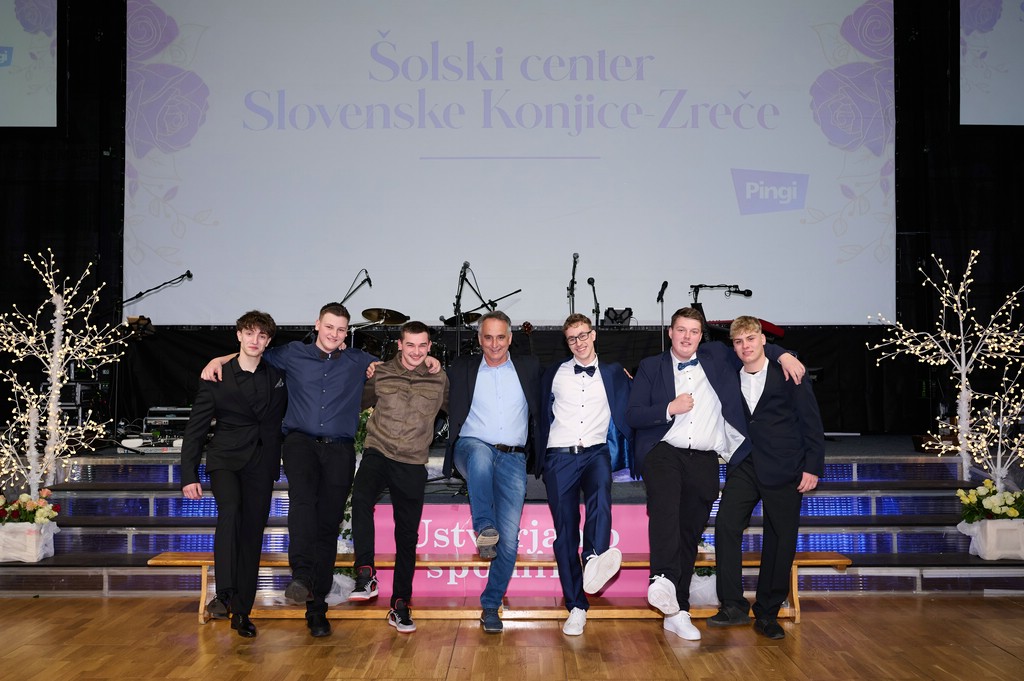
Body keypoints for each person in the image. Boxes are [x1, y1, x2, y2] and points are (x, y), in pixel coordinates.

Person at [626, 307, 804, 641]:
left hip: (705, 457)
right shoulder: (651, 366)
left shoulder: (717, 356)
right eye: (681, 330)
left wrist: (783, 355)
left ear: (701, 336)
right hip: (664, 450)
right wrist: (669, 408)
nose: (687, 337)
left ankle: (677, 610)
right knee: (666, 508)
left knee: (689, 532)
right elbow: (633, 415)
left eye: (693, 331)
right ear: (670, 332)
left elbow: (752, 349)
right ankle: (661, 579)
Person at [201, 303, 377, 637]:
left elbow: (395, 366)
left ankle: (317, 608)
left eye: (341, 329)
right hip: (300, 443)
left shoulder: (358, 360)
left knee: (328, 526)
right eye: (329, 327)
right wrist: (219, 360)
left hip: (339, 449)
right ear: (317, 324)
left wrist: (427, 361)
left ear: (347, 332)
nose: (334, 334)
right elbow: (252, 352)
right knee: (302, 503)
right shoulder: (292, 353)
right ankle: (301, 575)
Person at [708, 316, 824, 640]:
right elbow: (705, 352)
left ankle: (767, 613)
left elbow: (811, 421)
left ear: (762, 339)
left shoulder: (789, 373)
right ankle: (733, 606)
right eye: (738, 341)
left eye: (750, 338)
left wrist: (813, 466)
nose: (745, 346)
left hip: (785, 466)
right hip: (745, 464)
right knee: (726, 526)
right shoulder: (730, 372)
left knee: (780, 539)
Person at [181, 310, 288, 638]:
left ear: (268, 341)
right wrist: (188, 474)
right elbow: (196, 429)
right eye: (250, 333)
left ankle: (242, 611)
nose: (255, 340)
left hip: (262, 463)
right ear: (239, 335)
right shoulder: (216, 376)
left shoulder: (278, 375)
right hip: (225, 459)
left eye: (262, 336)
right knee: (230, 512)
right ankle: (225, 592)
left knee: (253, 533)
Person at [442, 310, 542, 634]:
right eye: (488, 337)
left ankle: (490, 606)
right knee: (481, 455)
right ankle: (484, 526)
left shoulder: (529, 367)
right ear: (479, 339)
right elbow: (436, 386)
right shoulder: (463, 367)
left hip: (513, 458)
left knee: (509, 542)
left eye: (500, 337)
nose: (494, 344)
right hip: (471, 448)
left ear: (510, 338)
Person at [347, 320, 449, 634]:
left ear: (429, 346)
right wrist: (365, 372)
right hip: (379, 451)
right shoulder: (379, 373)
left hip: (412, 461)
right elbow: (355, 401)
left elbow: (458, 409)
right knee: (361, 498)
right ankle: (365, 573)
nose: (416, 351)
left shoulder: (439, 378)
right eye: (410, 345)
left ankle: (400, 604)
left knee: (407, 536)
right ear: (400, 345)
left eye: (422, 345)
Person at [537, 313, 632, 636]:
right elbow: (538, 412)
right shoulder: (554, 373)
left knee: (601, 497)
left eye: (583, 335)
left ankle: (593, 558)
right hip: (559, 456)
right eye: (572, 338)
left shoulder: (614, 372)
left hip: (595, 451)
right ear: (567, 343)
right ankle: (576, 606)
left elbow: (638, 398)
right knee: (565, 534)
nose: (579, 342)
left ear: (593, 335)